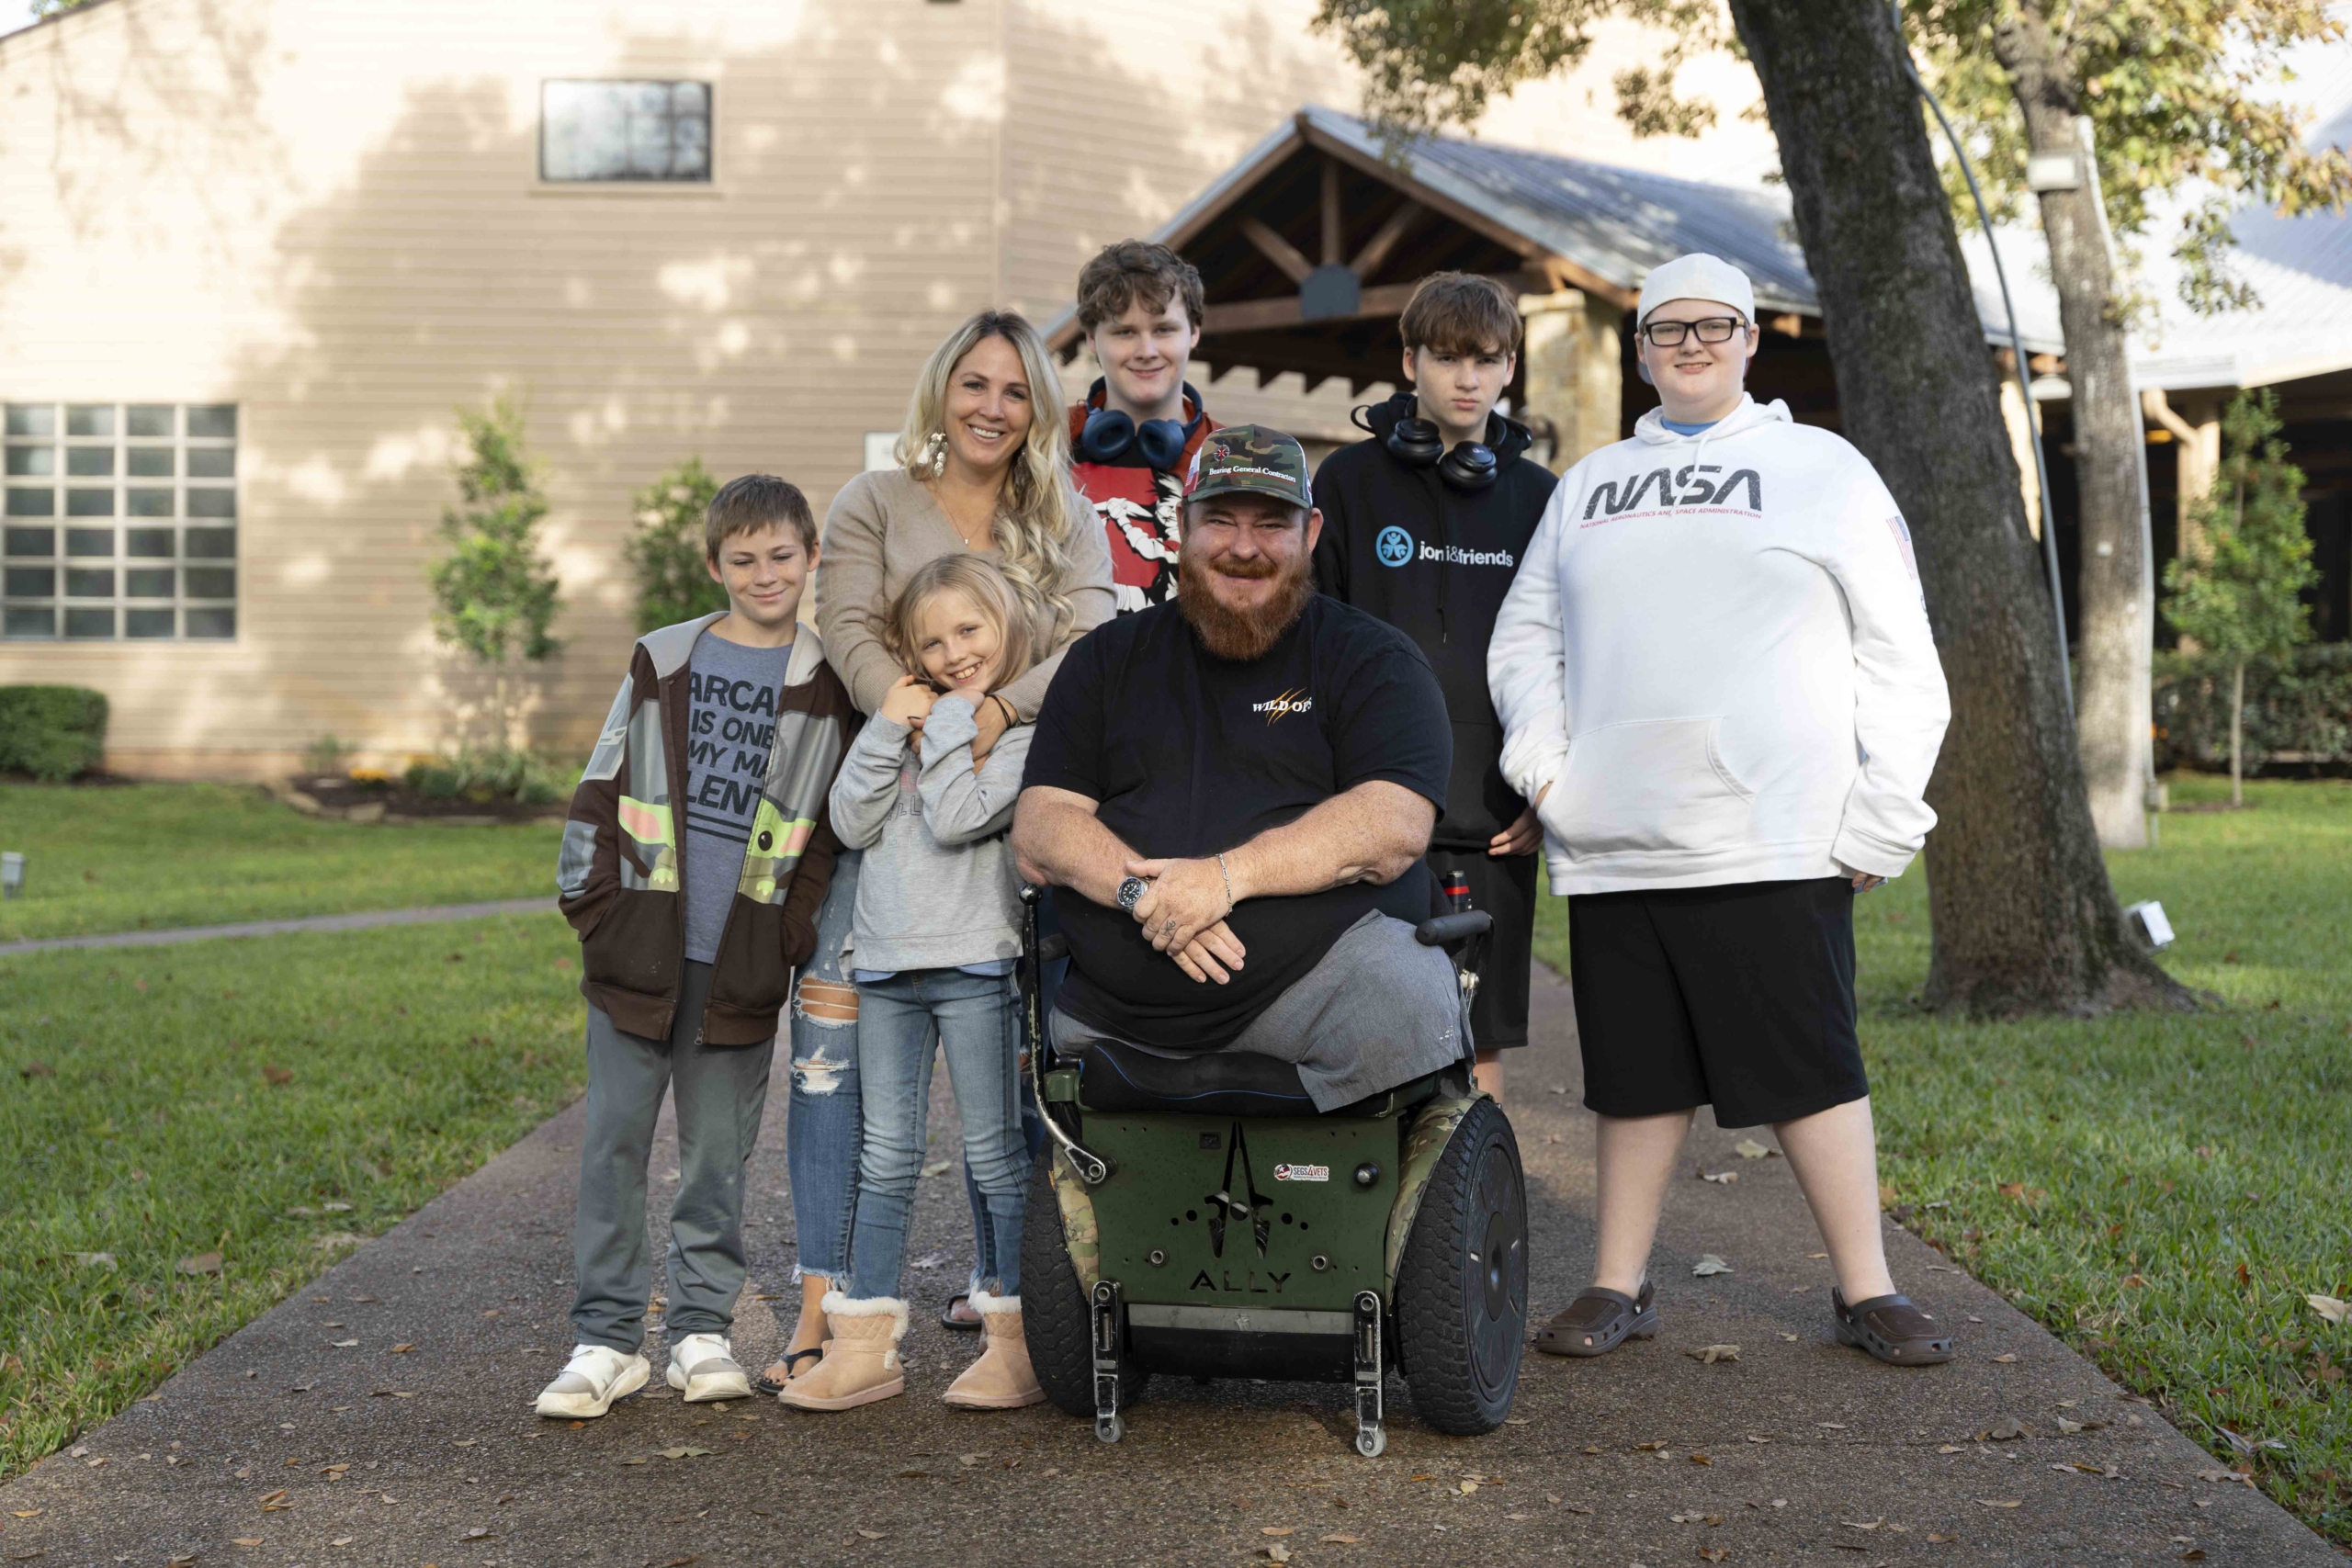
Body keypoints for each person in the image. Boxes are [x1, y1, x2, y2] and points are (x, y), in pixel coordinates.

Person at [1487, 253, 1955, 1367]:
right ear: (1640, 349)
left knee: (1810, 1069)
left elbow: (1901, 651)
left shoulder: (1822, 468)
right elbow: (1524, 639)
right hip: (1620, 844)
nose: (1689, 345)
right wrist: (1549, 771)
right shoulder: (1588, 486)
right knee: (1634, 1079)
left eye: (1713, 327)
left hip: (1777, 834)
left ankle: (1867, 1288)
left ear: (1752, 339)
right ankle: (1618, 1282)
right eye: (1666, 330)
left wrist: (1885, 813)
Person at [761, 310, 1111, 1386]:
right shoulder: (875, 500)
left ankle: (1013, 1315)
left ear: (1039, 410)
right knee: (838, 1083)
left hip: (1004, 820)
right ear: (940, 390)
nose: (992, 408)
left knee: (1006, 1093)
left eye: (1015, 392)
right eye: (974, 385)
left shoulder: (1065, 514)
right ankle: (829, 1314)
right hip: (879, 829)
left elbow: (1096, 641)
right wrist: (906, 712)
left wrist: (995, 712)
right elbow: (852, 628)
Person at [1012, 425, 1465, 1110]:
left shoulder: (1373, 659)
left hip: (1325, 999)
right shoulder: (1105, 659)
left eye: (1272, 523)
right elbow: (1042, 825)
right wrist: (1150, 900)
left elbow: (1393, 822)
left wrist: (1224, 881)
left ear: (1311, 532)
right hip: (1119, 1016)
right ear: (1181, 527)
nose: (1244, 547)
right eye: (1219, 520)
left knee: (1407, 993)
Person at [538, 475, 855, 1419]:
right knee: (615, 1146)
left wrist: (789, 937)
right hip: (638, 947)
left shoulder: (827, 681)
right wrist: (594, 911)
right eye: (744, 559)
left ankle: (700, 1332)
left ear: (810, 559)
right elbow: (602, 787)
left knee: (717, 1155)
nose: (765, 575)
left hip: (743, 961)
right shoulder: (663, 658)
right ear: (714, 565)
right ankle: (605, 1340)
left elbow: (826, 834)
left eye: (783, 557)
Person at [780, 557, 1045, 1411]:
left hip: (974, 964)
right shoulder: (902, 724)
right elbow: (853, 818)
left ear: (1004, 624)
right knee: (885, 1156)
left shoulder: (1017, 735)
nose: (953, 651)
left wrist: (955, 722)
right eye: (932, 642)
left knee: (995, 1156)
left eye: (969, 629)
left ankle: (1017, 1339)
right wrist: (890, 726)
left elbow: (962, 814)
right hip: (886, 966)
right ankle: (865, 1347)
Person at [1312, 272, 1557, 1103]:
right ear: (1409, 360)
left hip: (1494, 820)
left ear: (1510, 367)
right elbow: (1314, 642)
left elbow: (1566, 655)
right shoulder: (1345, 484)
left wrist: (1544, 786)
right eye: (1447, 357)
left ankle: (1469, 1208)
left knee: (1481, 1041)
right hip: (1372, 808)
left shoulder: (1540, 498)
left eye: (1485, 360)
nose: (1466, 378)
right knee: (1372, 1024)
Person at [1067, 240, 1224, 614]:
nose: (1146, 350)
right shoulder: (1044, 443)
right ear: (1091, 338)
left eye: (1164, 329)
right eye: (1124, 332)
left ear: (1194, 333)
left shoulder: (1231, 454)